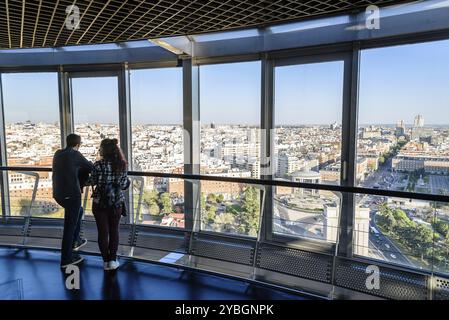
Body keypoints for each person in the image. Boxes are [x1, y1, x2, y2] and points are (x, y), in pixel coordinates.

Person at [53, 133, 93, 269]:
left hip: (58, 194)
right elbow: (90, 168)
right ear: (78, 144)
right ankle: (66, 259)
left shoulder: (57, 153)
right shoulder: (76, 155)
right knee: (69, 227)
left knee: (79, 211)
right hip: (72, 195)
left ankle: (76, 241)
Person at [89, 138, 130, 271]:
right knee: (114, 231)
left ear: (103, 151)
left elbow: (92, 181)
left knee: (102, 232)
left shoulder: (97, 165)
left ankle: (105, 261)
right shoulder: (122, 165)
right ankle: (112, 260)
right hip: (116, 202)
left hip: (99, 202)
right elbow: (124, 185)